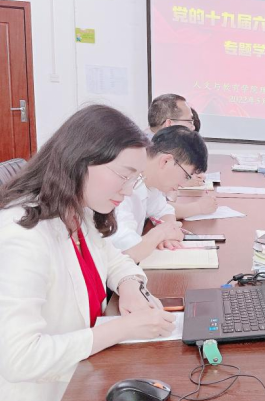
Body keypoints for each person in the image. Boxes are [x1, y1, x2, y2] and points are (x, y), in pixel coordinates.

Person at [0, 105, 176, 401]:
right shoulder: (22, 236)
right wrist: (123, 328)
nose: (129, 191)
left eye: (135, 179)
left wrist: (130, 287)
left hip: (86, 374)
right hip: (49, 391)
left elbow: (114, 258)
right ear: (81, 160)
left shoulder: (75, 209)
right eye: (124, 175)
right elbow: (20, 358)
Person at [108, 126, 213, 262]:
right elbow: (128, 251)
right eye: (186, 176)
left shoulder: (150, 181)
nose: (183, 184)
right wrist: (161, 233)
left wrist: (170, 230)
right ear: (166, 161)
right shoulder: (123, 186)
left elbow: (164, 210)